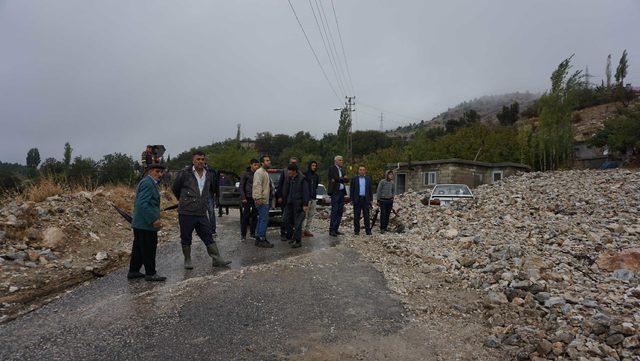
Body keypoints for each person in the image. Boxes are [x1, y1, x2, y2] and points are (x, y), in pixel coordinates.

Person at [172, 151, 231, 269]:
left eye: (202, 159)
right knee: (186, 236)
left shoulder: (209, 174)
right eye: (198, 159)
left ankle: (217, 259)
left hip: (201, 211)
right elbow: (175, 188)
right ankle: (187, 260)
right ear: (193, 161)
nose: (200, 161)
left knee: (208, 235)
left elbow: (211, 189)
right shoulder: (185, 173)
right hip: (186, 212)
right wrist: (184, 200)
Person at [128, 163, 166, 282]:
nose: (160, 174)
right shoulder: (148, 183)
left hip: (140, 223)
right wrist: (153, 219)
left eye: (161, 172)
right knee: (149, 248)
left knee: (139, 248)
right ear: (150, 171)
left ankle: (133, 271)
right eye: (157, 171)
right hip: (145, 224)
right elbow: (141, 204)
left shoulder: (148, 182)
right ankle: (151, 273)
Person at [281, 164, 310, 248]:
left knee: (298, 223)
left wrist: (305, 204)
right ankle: (292, 237)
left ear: (294, 171)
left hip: (298, 204)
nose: (288, 172)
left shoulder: (302, 179)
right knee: (285, 219)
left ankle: (298, 241)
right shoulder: (290, 178)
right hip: (289, 203)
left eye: (289, 171)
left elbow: (305, 192)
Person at [276, 157, 299, 242]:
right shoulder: (284, 171)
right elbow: (280, 185)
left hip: (294, 199)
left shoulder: (298, 173)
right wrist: (279, 196)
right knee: (284, 217)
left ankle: (291, 234)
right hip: (285, 198)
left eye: (295, 163)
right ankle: (283, 233)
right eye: (292, 162)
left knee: (293, 218)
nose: (293, 164)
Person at [252, 155, 274, 248]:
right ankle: (261, 239)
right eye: (267, 160)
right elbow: (257, 185)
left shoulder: (265, 172)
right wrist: (258, 198)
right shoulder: (259, 172)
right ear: (262, 163)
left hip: (265, 199)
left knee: (261, 219)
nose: (269, 162)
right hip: (262, 200)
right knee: (264, 219)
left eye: (269, 160)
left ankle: (259, 238)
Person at [327, 155, 349, 237]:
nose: (341, 161)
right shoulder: (332, 168)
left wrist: (340, 178)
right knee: (335, 211)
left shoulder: (342, 169)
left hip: (341, 193)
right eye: (340, 160)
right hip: (335, 193)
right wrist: (342, 178)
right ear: (335, 161)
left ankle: (336, 229)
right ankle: (331, 230)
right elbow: (336, 178)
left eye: (342, 160)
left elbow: (347, 179)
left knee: (340, 211)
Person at [239, 159, 260, 240]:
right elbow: (241, 187)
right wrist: (243, 197)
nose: (256, 167)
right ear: (251, 165)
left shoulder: (258, 174)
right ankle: (243, 235)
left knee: (255, 216)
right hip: (247, 198)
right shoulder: (245, 174)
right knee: (245, 216)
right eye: (255, 165)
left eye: (258, 165)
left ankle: (252, 233)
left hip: (256, 198)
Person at [350, 166, 373, 235]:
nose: (362, 171)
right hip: (357, 199)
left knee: (366, 216)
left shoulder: (368, 179)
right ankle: (356, 231)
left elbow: (370, 190)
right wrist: (351, 199)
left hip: (366, 200)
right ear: (358, 171)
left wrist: (371, 199)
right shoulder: (354, 179)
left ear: (365, 171)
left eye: (363, 170)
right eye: (360, 170)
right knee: (356, 216)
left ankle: (368, 231)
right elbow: (352, 189)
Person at [302, 160, 320, 237]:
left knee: (311, 215)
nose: (314, 167)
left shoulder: (316, 176)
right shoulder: (305, 174)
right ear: (310, 166)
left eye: (315, 166)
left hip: (313, 197)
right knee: (304, 215)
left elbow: (316, 186)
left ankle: (307, 230)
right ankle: (301, 230)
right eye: (312, 165)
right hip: (307, 198)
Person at [205, 163, 219, 237]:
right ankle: (202, 229)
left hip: (209, 193)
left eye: (202, 159)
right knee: (201, 212)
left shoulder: (211, 171)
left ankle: (212, 230)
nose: (200, 161)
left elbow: (216, 182)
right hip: (199, 194)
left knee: (211, 212)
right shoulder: (195, 170)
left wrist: (217, 194)